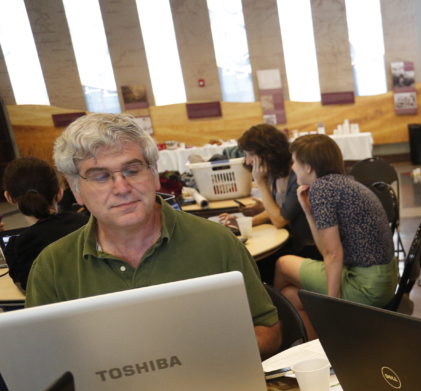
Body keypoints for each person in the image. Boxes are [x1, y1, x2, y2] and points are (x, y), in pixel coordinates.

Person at [26, 113, 281, 357]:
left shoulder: (217, 242)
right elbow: (40, 361)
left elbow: (268, 332)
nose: (122, 188)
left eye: (132, 170)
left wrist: (194, 357)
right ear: (75, 189)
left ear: (154, 174)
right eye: (101, 176)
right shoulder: (52, 267)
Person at [273, 134, 397, 337]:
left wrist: (333, 306)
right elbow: (325, 250)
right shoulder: (343, 183)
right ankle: (319, 346)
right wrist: (308, 212)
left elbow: (332, 254)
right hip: (384, 281)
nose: (292, 167)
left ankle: (276, 328)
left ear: (308, 167)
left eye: (294, 161)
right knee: (290, 296)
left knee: (282, 264)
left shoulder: (322, 189)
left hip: (366, 285)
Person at [225, 124, 315, 259]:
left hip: (305, 248)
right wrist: (245, 223)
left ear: (268, 153)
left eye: (251, 154)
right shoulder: (275, 173)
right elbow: (280, 210)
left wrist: (260, 183)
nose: (247, 161)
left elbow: (279, 220)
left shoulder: (296, 176)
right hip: (287, 241)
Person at [2, 157, 88, 290]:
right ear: (60, 192)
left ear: (9, 197)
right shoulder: (86, 223)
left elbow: (27, 289)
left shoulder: (17, 246)